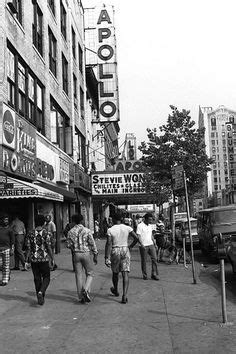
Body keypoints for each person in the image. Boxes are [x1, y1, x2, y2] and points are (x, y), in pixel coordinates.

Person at [104, 213, 139, 304]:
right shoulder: (127, 228)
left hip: (115, 250)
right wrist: (130, 246)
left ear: (113, 219)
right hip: (125, 249)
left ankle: (115, 290)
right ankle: (124, 295)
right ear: (122, 219)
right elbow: (136, 238)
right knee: (125, 273)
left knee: (115, 273)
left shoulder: (110, 230)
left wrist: (106, 257)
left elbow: (108, 243)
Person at [66, 214, 98, 304]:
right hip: (86, 253)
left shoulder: (70, 231)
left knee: (78, 275)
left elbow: (68, 245)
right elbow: (92, 243)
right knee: (90, 274)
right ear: (82, 221)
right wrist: (95, 254)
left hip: (76, 254)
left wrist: (74, 249)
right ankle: (86, 290)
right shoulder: (87, 230)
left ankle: (81, 297)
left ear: (73, 221)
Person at [25, 214, 54, 305]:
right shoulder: (46, 233)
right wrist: (52, 258)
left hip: (34, 260)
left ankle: (39, 297)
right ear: (43, 222)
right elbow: (49, 247)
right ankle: (41, 292)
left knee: (37, 278)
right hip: (44, 259)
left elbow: (28, 248)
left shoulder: (30, 233)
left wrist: (26, 260)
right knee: (46, 277)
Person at [136, 213, 159, 280]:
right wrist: (141, 244)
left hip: (151, 244)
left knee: (154, 259)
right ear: (145, 219)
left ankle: (154, 274)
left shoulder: (150, 226)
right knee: (144, 260)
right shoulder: (140, 226)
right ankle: (144, 275)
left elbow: (151, 235)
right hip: (143, 246)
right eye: (149, 220)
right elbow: (138, 236)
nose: (150, 221)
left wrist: (155, 244)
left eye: (151, 220)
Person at [0, 214, 15, 286]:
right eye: (4, 219)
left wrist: (12, 249)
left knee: (6, 265)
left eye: (7, 220)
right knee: (1, 264)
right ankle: (7, 273)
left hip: (6, 249)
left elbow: (12, 240)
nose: (6, 221)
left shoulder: (10, 229)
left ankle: (4, 280)